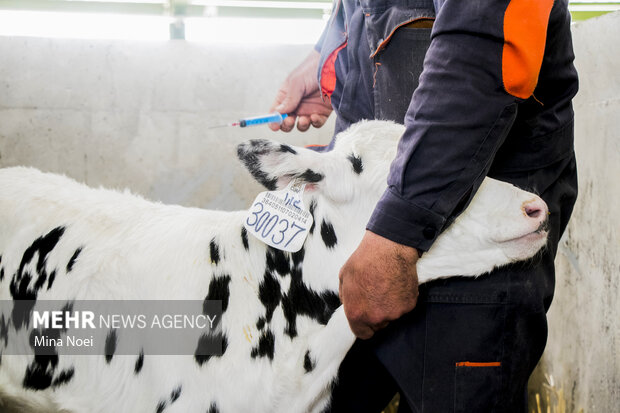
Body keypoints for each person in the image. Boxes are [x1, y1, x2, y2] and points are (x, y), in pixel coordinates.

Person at [269, 0, 578, 411]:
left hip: (465, 252)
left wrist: (395, 236)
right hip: (362, 256)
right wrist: (327, 57)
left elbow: (478, 60)